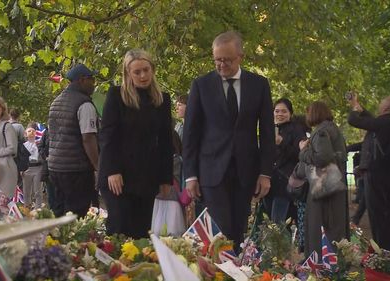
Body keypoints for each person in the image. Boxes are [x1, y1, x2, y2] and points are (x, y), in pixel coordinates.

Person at [183, 31, 275, 250]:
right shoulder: (201, 85)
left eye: (227, 60)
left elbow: (268, 132)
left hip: (246, 170)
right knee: (218, 230)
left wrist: (265, 173)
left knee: (238, 230)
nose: (222, 65)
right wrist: (191, 175)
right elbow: (190, 133)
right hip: (211, 170)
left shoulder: (259, 85)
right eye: (217, 60)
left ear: (240, 56)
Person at [98, 49, 173, 239]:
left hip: (147, 176)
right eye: (137, 72)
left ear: (152, 70)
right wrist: (112, 170)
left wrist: (166, 179)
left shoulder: (162, 100)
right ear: (128, 74)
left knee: (141, 232)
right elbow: (108, 135)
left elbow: (166, 141)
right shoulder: (116, 96)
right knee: (119, 228)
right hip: (117, 177)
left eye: (146, 70)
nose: (142, 76)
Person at [347, 94, 390, 251]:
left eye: (381, 105)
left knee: (376, 215)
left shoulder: (383, 123)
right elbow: (374, 123)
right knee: (386, 214)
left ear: (386, 108)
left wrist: (354, 108)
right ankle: (387, 251)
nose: (378, 108)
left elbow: (353, 121)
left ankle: (380, 252)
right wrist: (363, 109)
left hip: (376, 175)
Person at [48, 63, 100, 218]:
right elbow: (88, 138)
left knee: (59, 214)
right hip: (76, 170)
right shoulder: (84, 104)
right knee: (76, 215)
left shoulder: (56, 102)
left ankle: (58, 242)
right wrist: (98, 166)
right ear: (82, 80)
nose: (93, 84)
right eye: (92, 79)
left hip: (55, 168)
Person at [299, 101, 348, 256]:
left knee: (319, 225)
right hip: (334, 185)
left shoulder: (321, 131)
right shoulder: (332, 129)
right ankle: (333, 261)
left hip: (324, 188)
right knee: (334, 226)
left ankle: (319, 262)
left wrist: (303, 151)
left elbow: (323, 157)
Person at [263, 98, 305, 224]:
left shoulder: (296, 129)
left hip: (285, 182)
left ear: (290, 113)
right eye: (277, 111)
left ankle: (281, 244)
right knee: (267, 222)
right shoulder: (269, 128)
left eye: (284, 111)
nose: (280, 114)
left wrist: (282, 143)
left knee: (278, 222)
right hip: (268, 182)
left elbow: (300, 155)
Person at [22, 126, 43, 209]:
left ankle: (38, 209)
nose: (31, 132)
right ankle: (27, 207)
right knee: (26, 190)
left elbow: (42, 155)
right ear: (25, 134)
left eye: (33, 131)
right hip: (27, 168)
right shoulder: (23, 145)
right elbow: (22, 158)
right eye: (29, 131)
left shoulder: (39, 144)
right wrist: (21, 169)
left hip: (38, 167)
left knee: (37, 190)